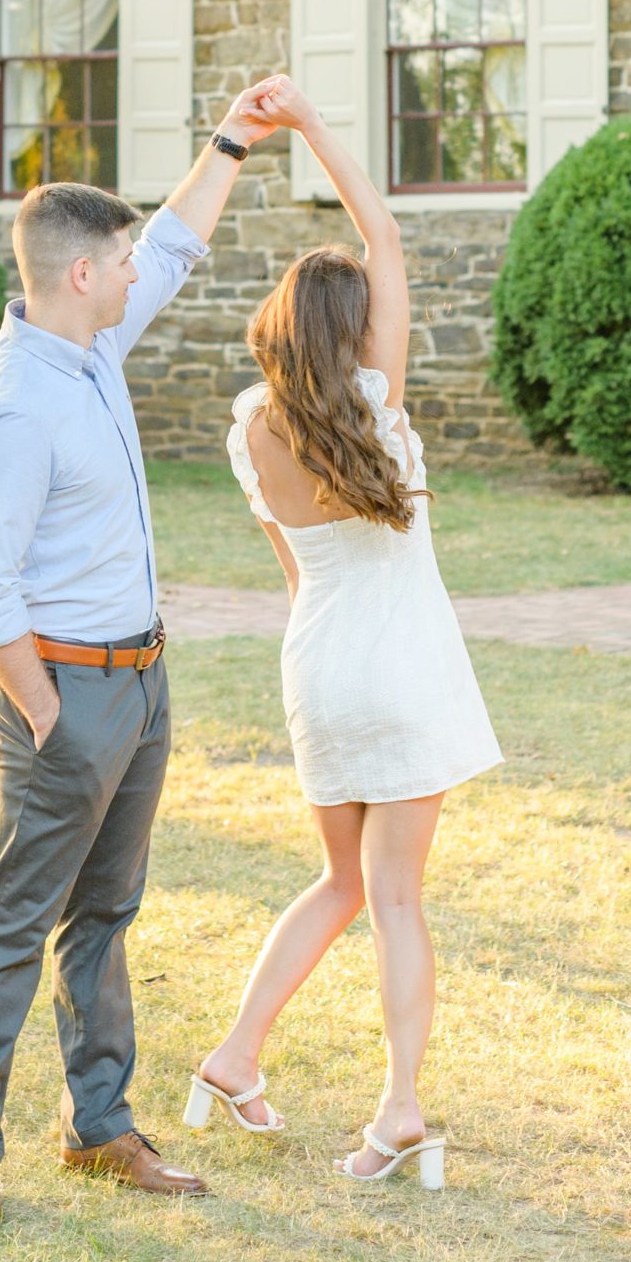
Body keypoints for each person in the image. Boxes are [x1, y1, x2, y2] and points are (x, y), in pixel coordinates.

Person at [0, 79, 285, 1231]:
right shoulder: (14, 405)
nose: (137, 272)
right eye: (120, 260)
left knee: (106, 910)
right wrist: (42, 711)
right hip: (65, 696)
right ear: (80, 273)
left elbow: (177, 241)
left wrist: (233, 138)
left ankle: (98, 1126)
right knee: (12, 921)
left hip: (141, 682)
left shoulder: (87, 342)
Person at [188, 76, 501, 1188]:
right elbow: (382, 230)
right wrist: (314, 124)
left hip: (318, 662)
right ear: (357, 327)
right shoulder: (378, 401)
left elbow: (291, 576)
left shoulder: (247, 433)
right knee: (398, 898)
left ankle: (232, 1056)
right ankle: (401, 1110)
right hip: (402, 663)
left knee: (338, 882)